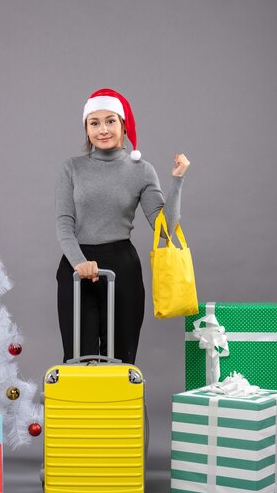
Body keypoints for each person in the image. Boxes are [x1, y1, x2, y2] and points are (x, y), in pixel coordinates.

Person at [55, 88, 190, 364]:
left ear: (124, 125)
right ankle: (85, 407)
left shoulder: (142, 170)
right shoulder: (72, 168)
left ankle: (118, 407)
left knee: (121, 357)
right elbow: (64, 223)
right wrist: (80, 263)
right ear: (87, 129)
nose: (103, 129)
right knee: (79, 358)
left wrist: (177, 181)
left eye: (110, 121)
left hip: (122, 266)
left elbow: (164, 230)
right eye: (94, 123)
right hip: (77, 266)